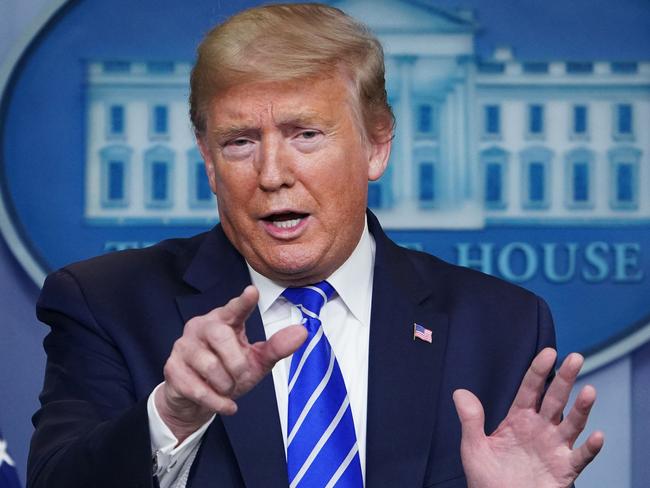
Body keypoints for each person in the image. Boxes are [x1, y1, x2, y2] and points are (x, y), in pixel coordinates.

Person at [28, 3, 603, 487]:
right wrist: (173, 415)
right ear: (207, 160)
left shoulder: (502, 324)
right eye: (239, 142)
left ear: (376, 146)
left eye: (305, 134)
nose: (272, 173)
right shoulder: (105, 303)